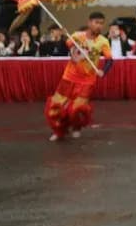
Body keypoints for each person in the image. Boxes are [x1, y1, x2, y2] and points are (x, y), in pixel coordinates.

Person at [45, 12, 112, 141]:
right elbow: (68, 46)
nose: (99, 26)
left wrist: (103, 71)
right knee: (57, 105)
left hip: (87, 81)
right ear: (89, 23)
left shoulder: (103, 41)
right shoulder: (76, 36)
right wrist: (64, 36)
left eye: (101, 23)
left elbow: (109, 60)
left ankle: (76, 127)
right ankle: (59, 130)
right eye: (96, 22)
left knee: (77, 108)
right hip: (69, 77)